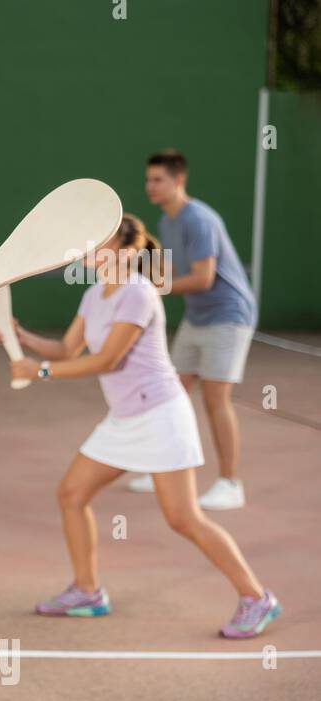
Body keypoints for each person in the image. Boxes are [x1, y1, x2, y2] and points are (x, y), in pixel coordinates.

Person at [0, 213, 282, 639]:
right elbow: (66, 348)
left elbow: (106, 360)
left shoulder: (138, 293)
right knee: (72, 494)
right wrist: (18, 336)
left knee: (183, 518)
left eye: (101, 245)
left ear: (128, 251)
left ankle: (256, 597)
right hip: (124, 418)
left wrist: (37, 372)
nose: (91, 252)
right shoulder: (95, 294)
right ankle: (88, 592)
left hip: (161, 416)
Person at [126, 150, 258, 510]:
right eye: (148, 179)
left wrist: (153, 288)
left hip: (229, 317)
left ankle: (230, 483)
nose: (150, 186)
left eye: (158, 180)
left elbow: (203, 278)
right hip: (197, 317)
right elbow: (168, 277)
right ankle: (165, 471)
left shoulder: (198, 219)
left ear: (179, 180)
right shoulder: (167, 222)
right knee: (171, 393)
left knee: (216, 400)